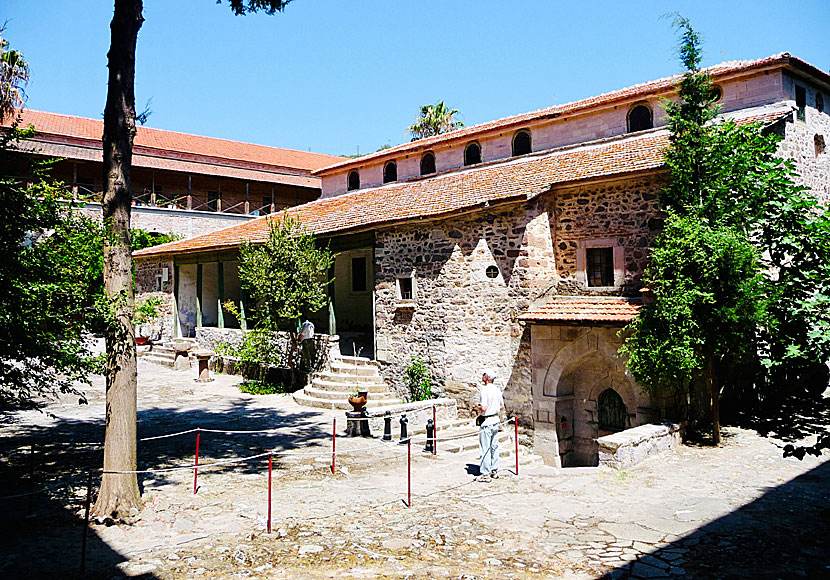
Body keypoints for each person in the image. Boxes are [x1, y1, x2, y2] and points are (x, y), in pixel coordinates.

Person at [475, 369, 504, 482]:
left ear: (486, 377)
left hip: (487, 421)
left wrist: (477, 405)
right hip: (495, 419)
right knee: (494, 446)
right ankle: (494, 469)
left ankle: (485, 473)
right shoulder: (497, 390)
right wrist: (494, 408)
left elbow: (484, 408)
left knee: (485, 447)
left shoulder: (485, 390)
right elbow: (501, 406)